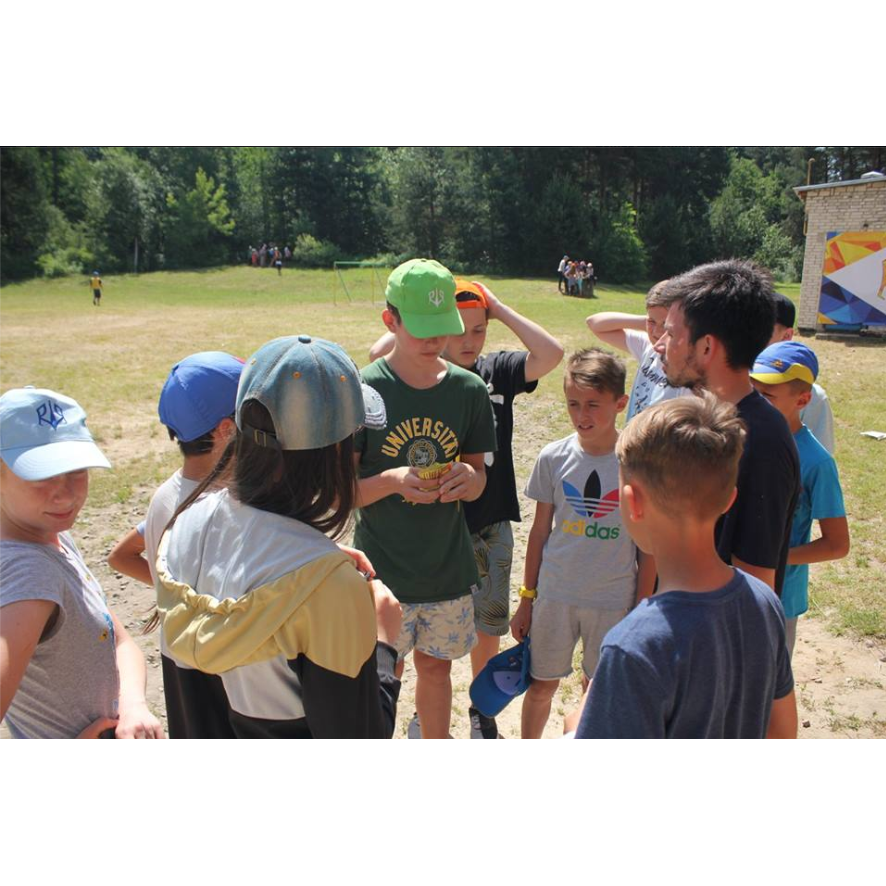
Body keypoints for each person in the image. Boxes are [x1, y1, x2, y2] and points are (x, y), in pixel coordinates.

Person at [155, 335, 402, 739]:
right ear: (335, 451)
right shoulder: (330, 588)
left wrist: (312, 558)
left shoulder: (184, 522)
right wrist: (384, 646)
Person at [369, 278, 563, 738]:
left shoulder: (494, 372)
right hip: (427, 531)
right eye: (457, 329)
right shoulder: (403, 376)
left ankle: (481, 708)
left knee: (483, 626)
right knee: (402, 648)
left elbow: (550, 354)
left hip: (485, 523)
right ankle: (420, 715)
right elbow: (381, 354)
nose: (467, 340)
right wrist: (430, 300)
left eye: (478, 329)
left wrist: (497, 306)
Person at [574, 394, 797, 739]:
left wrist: (575, 726)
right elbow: (782, 730)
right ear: (729, 500)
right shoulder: (764, 602)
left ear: (632, 503)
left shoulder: (633, 647)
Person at [354, 259, 497, 740]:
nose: (437, 342)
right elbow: (341, 493)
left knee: (436, 672)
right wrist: (392, 480)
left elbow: (480, 475)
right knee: (380, 676)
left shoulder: (469, 389)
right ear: (389, 320)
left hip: (444, 568)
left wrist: (467, 479)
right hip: (381, 572)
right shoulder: (363, 390)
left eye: (443, 330)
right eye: (423, 330)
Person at [0, 387, 165, 739]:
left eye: (76, 471)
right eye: (41, 475)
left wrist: (133, 704)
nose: (66, 493)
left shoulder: (52, 536)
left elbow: (120, 642)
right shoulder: (30, 575)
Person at [511, 348, 655, 739]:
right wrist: (527, 598)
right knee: (541, 685)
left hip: (613, 601)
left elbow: (648, 546)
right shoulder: (552, 457)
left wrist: (642, 606)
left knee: (598, 689)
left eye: (593, 404)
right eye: (573, 404)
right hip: (556, 595)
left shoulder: (638, 463)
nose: (581, 415)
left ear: (621, 403)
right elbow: (540, 532)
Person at [108, 352, 244, 738]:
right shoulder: (229, 508)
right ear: (227, 430)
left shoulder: (165, 495)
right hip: (227, 666)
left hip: (180, 662)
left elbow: (121, 555)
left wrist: (177, 592)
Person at [655, 259, 800, 596]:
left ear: (706, 347)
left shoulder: (761, 441)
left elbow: (755, 587)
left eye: (672, 333)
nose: (660, 344)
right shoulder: (702, 417)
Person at [749, 342, 849, 657]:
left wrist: (773, 559)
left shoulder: (817, 462)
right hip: (727, 586)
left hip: (779, 598)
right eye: (753, 392)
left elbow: (837, 544)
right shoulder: (736, 438)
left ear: (803, 400)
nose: (755, 403)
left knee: (765, 690)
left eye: (767, 396)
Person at [586, 279, 692, 422]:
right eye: (652, 322)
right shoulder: (647, 346)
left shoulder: (690, 367)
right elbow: (595, 323)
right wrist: (646, 322)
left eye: (666, 324)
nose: (657, 332)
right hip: (633, 437)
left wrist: (656, 322)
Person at [769, 291, 835, 453]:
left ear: (786, 336)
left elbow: (819, 460)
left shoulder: (812, 397)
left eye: (762, 329)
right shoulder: (729, 382)